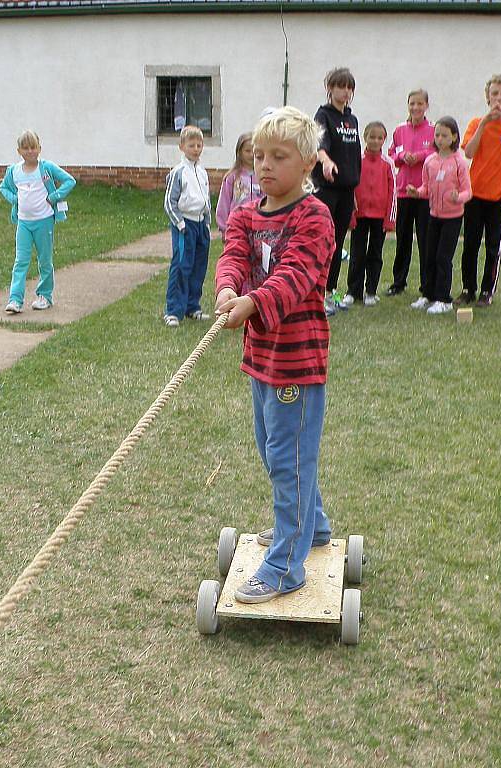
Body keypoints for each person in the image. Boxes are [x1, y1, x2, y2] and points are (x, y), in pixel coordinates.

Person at [214, 106, 335, 604]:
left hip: (297, 365)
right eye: (259, 155)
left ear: (306, 162)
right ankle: (316, 527)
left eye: (278, 157)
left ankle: (286, 564)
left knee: (289, 459)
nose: (264, 166)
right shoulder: (245, 214)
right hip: (260, 360)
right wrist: (226, 291)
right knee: (272, 451)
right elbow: (233, 258)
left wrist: (253, 302)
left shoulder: (315, 217)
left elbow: (295, 275)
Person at [456, 74, 501, 307]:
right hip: (475, 192)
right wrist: (484, 124)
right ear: (487, 97)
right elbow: (468, 152)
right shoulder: (476, 122)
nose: (498, 98)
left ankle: (488, 291)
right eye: (495, 93)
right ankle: (468, 288)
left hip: (499, 195)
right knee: (470, 244)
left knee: (493, 246)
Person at [0, 130, 75, 314]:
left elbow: (69, 181)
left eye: (33, 147)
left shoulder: (46, 168)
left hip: (44, 221)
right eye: (25, 148)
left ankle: (45, 295)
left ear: (39, 148)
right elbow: (4, 187)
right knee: (21, 261)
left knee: (44, 260)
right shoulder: (14, 171)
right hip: (23, 223)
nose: (30, 151)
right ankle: (15, 299)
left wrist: (55, 196)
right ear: (19, 151)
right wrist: (15, 199)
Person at [406, 116, 472, 315]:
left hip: (452, 218)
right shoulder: (430, 161)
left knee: (443, 257)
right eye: (437, 135)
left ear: (454, 137)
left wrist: (457, 197)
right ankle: (427, 294)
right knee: (429, 255)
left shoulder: (459, 163)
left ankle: (444, 299)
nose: (440, 139)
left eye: (445, 135)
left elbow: (468, 191)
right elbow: (426, 187)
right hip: (433, 215)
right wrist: (417, 192)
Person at [312, 67, 362, 316]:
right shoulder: (323, 116)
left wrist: (353, 193)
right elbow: (319, 147)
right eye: (340, 86)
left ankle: (331, 291)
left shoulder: (352, 120)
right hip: (326, 190)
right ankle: (315, 294)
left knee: (338, 242)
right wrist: (326, 162)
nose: (345, 92)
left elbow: (354, 158)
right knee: (323, 242)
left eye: (349, 87)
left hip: (345, 190)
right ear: (329, 88)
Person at [386, 89, 435, 298]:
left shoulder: (433, 130)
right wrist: (404, 156)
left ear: (426, 106)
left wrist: (420, 156)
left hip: (423, 194)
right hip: (403, 193)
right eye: (412, 104)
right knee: (402, 239)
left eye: (419, 104)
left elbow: (436, 152)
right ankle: (398, 282)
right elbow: (391, 153)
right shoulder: (399, 130)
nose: (415, 108)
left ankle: (426, 284)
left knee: (425, 240)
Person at [342, 121, 396, 307]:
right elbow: (350, 188)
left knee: (375, 254)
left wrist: (390, 219)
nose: (375, 141)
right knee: (357, 254)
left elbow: (392, 192)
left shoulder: (388, 163)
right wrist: (351, 214)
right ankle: (353, 291)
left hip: (379, 217)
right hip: (360, 215)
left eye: (379, 138)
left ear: (384, 140)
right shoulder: (357, 160)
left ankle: (371, 291)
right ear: (364, 138)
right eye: (372, 137)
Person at [163, 125, 212, 327]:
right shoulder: (178, 172)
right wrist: (180, 223)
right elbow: (169, 202)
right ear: (182, 147)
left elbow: (206, 199)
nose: (196, 149)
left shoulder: (202, 172)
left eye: (199, 145)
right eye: (191, 145)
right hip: (185, 223)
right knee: (182, 265)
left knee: (199, 265)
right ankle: (173, 310)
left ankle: (193, 305)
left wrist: (208, 222)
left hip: (201, 223)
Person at [215, 132, 261, 239]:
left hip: (258, 226)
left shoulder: (262, 177)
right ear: (239, 152)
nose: (251, 155)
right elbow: (224, 202)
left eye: (254, 151)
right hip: (236, 226)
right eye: (247, 151)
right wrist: (224, 228)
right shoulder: (232, 177)